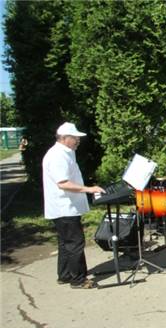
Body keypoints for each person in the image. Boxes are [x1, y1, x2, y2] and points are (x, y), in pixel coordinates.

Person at [42, 122, 104, 289]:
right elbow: (63, 183)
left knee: (65, 242)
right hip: (64, 207)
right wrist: (89, 189)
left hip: (65, 207)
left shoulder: (65, 152)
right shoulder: (57, 156)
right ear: (64, 138)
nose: (78, 140)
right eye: (75, 138)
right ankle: (78, 280)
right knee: (75, 243)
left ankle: (65, 275)